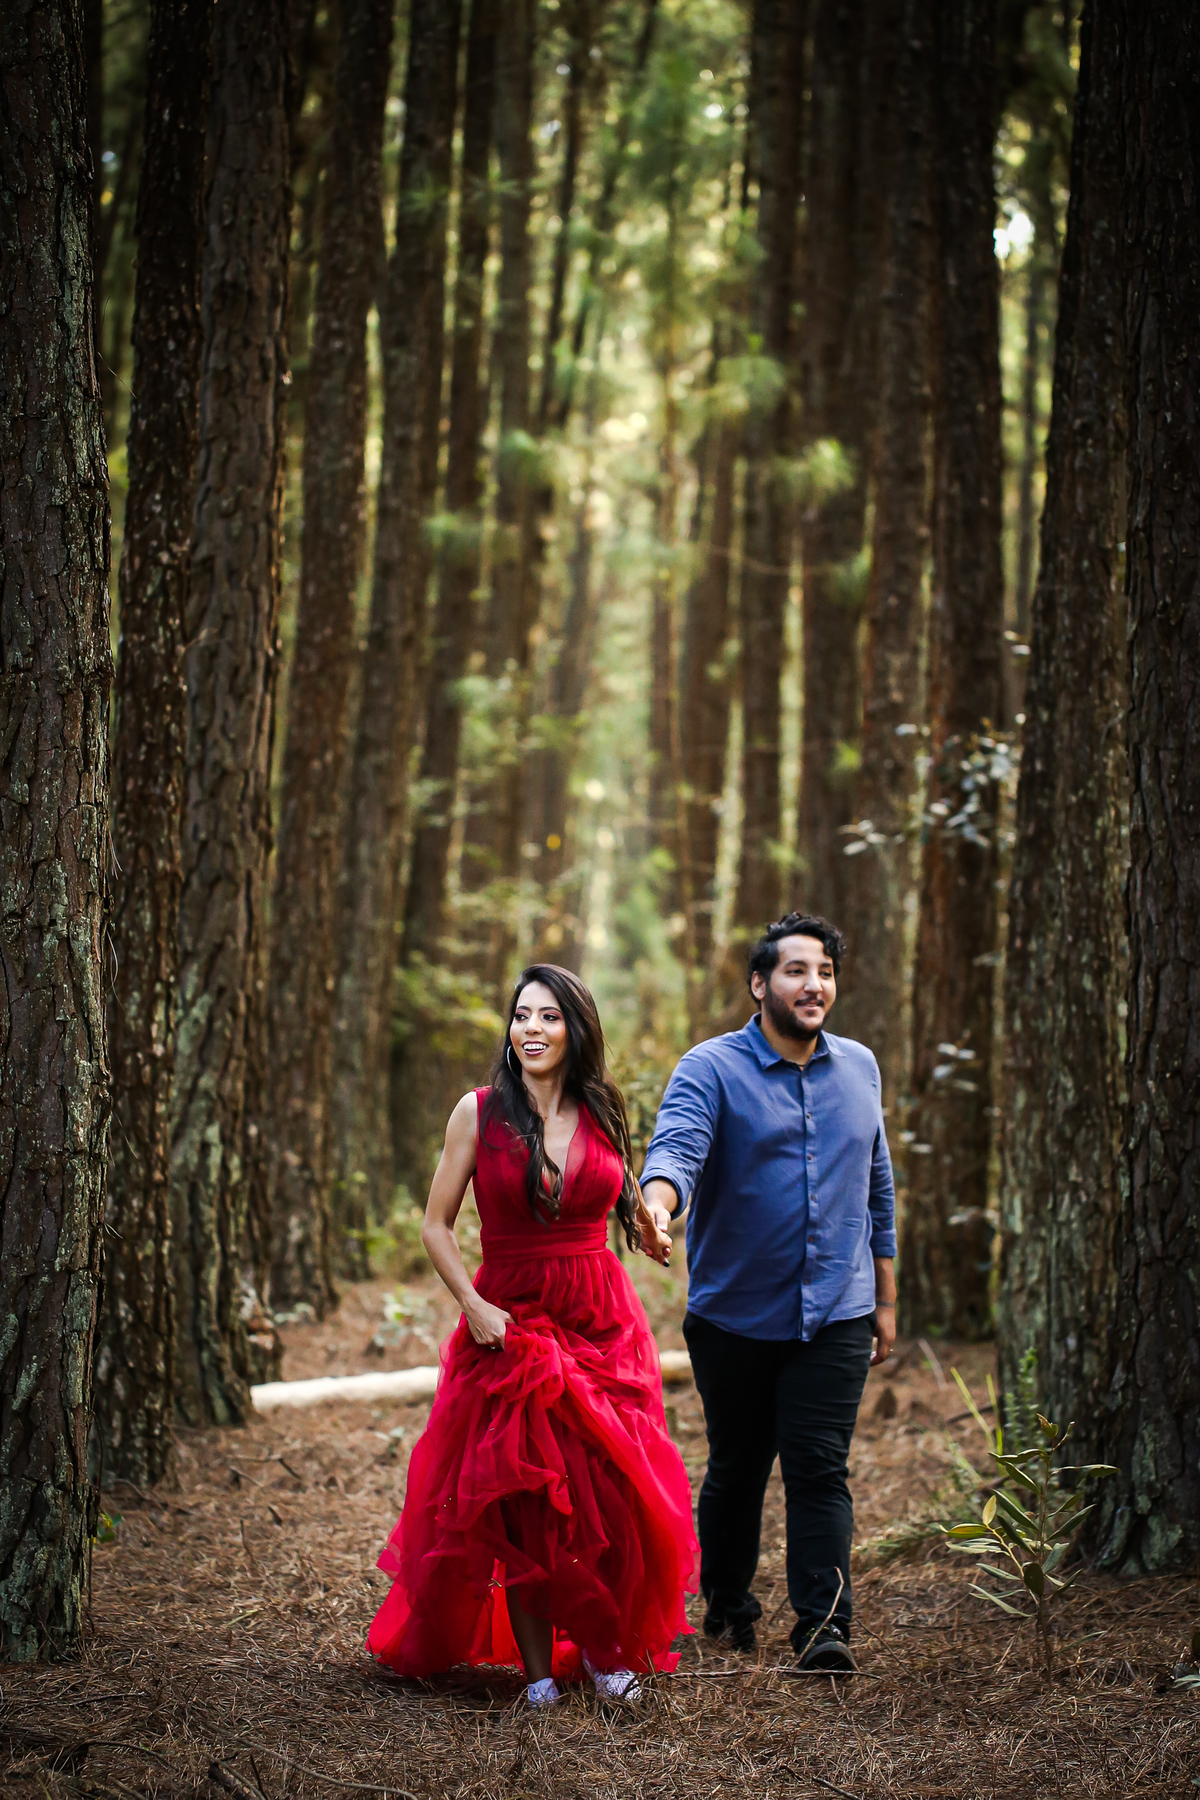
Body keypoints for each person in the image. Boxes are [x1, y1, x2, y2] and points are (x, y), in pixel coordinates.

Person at [367, 964, 697, 1707]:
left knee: (610, 1485)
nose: (533, 1030)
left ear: (576, 1030)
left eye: (549, 1017)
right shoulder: (478, 1113)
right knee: (526, 1494)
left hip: (602, 1315)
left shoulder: (603, 1109)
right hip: (510, 1315)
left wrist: (646, 1224)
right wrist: (473, 1308)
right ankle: (540, 1673)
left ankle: (609, 1653)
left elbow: (620, 1189)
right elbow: (434, 1225)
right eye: (522, 1017)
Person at [640, 912, 897, 1676]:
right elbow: (676, 1150)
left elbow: (878, 1182)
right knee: (739, 1466)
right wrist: (657, 1207)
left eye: (823, 970)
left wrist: (885, 1296)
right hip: (735, 1316)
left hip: (839, 1310)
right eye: (795, 971)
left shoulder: (861, 1068)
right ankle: (728, 1605)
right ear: (759, 985)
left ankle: (824, 1629)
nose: (813, 985)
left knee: (819, 1468)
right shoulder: (710, 1068)